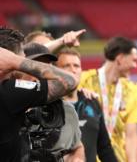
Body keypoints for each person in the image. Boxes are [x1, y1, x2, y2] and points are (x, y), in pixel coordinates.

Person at [0, 27, 79, 162]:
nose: (24, 60)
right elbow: (70, 81)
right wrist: (15, 61)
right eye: (23, 57)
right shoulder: (10, 93)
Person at [79, 37, 137, 162]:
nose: (135, 65)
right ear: (120, 58)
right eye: (133, 60)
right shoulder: (84, 81)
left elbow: (131, 136)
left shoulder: (132, 91)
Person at [22, 42, 85, 162]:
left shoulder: (66, 110)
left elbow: (77, 146)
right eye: (36, 67)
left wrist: (77, 158)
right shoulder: (7, 102)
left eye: (47, 68)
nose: (43, 73)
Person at [56, 48, 118, 162]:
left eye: (76, 66)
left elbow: (104, 148)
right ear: (56, 71)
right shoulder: (48, 105)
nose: (73, 70)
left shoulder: (92, 102)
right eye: (66, 66)